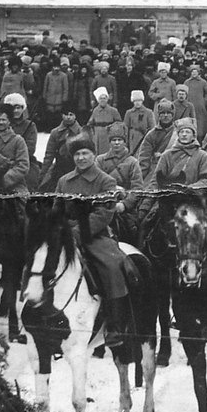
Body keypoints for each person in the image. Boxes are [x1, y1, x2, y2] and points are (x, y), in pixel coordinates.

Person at [54, 133, 135, 345]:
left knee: (112, 266)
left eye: (85, 153)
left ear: (93, 155)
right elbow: (57, 210)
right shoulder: (64, 181)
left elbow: (103, 214)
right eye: (77, 154)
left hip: (95, 236)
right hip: (65, 234)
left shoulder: (106, 181)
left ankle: (114, 324)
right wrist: (58, 229)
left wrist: (76, 233)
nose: (81, 158)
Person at [96, 122, 145, 239]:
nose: (117, 143)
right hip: (103, 206)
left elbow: (138, 189)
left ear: (125, 141)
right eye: (113, 140)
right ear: (109, 142)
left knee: (132, 231)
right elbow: (95, 183)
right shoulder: (100, 160)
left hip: (125, 209)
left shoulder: (132, 162)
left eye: (120, 140)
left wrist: (124, 205)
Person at [153, 118, 207, 187]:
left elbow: (206, 180)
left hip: (193, 195)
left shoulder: (202, 156)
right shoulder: (167, 155)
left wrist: (189, 189)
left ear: (193, 135)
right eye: (181, 132)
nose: (184, 134)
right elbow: (156, 180)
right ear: (178, 135)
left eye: (187, 132)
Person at [39, 109, 83, 192]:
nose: (68, 117)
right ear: (62, 115)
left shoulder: (81, 132)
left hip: (76, 169)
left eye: (71, 114)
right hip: (59, 169)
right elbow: (49, 154)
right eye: (66, 114)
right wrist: (43, 174)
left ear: (75, 116)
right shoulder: (55, 133)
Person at [136, 99, 178, 185]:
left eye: (168, 113)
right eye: (162, 113)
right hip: (156, 169)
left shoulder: (179, 132)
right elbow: (144, 158)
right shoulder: (151, 135)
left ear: (172, 115)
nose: (166, 116)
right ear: (159, 115)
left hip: (176, 169)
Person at [85, 86, 122, 155]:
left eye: (104, 98)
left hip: (109, 135)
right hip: (98, 136)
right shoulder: (95, 110)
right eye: (101, 98)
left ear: (107, 99)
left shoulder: (113, 110)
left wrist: (113, 129)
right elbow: (90, 124)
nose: (103, 100)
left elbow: (119, 124)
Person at [123, 90, 156, 154]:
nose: (137, 103)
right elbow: (125, 128)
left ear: (142, 101)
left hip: (144, 136)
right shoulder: (129, 113)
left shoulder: (148, 112)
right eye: (135, 101)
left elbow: (152, 127)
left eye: (139, 100)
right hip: (132, 137)